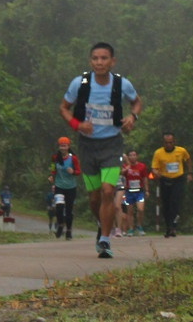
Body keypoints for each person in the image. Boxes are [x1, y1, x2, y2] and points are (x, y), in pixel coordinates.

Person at [59, 42, 142, 258]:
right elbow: (63, 108)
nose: (99, 62)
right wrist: (78, 125)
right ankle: (101, 224)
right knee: (94, 198)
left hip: (112, 144)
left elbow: (136, 102)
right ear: (90, 61)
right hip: (87, 146)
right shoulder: (80, 83)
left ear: (112, 61)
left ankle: (105, 240)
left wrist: (132, 117)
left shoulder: (122, 84)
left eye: (104, 58)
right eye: (95, 58)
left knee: (107, 191)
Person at [151, 132, 192, 238]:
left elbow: (188, 160)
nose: (168, 145)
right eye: (166, 143)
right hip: (165, 179)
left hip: (178, 179)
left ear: (174, 142)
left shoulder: (181, 151)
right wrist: (156, 172)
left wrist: (189, 173)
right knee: (166, 204)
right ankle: (168, 227)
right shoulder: (158, 153)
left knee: (174, 202)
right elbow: (154, 168)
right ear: (163, 143)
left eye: (170, 142)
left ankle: (173, 226)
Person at [48, 136, 81, 240]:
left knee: (69, 210)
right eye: (61, 146)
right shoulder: (55, 158)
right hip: (59, 186)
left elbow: (78, 171)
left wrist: (73, 172)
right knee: (59, 207)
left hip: (71, 187)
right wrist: (51, 176)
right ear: (59, 147)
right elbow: (53, 169)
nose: (63, 148)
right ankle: (61, 225)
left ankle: (69, 231)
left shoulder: (73, 158)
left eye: (64, 146)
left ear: (68, 147)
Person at [122, 149, 149, 236]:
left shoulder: (142, 166)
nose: (132, 157)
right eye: (130, 155)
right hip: (128, 191)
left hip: (139, 191)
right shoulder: (125, 166)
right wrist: (126, 168)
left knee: (140, 209)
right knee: (129, 211)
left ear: (136, 156)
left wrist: (147, 190)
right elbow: (120, 175)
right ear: (128, 157)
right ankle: (131, 229)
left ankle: (139, 226)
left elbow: (145, 178)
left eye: (134, 155)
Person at [112, 162, 126, 238]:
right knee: (111, 207)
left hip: (120, 184)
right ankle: (113, 228)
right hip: (110, 184)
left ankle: (119, 229)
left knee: (117, 206)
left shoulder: (120, 160)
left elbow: (127, 167)